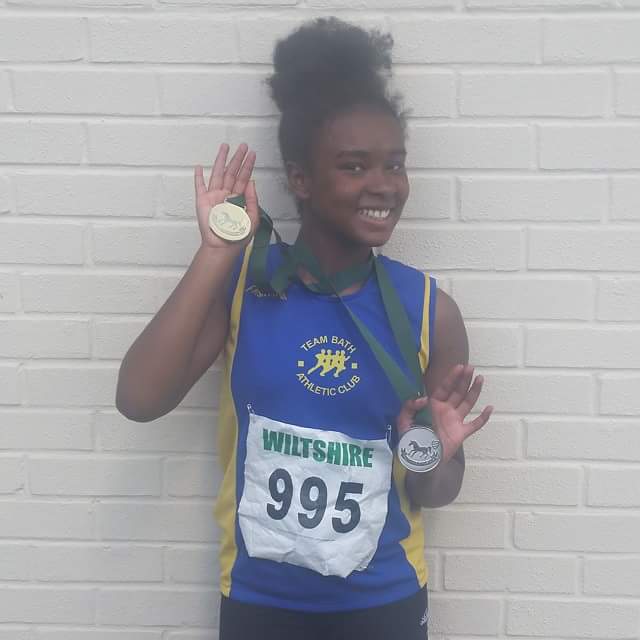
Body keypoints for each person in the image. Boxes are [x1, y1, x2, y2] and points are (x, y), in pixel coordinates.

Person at [116, 17, 493, 640]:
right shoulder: (245, 288)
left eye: (394, 164)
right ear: (301, 180)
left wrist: (432, 452)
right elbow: (139, 399)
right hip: (260, 601)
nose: (383, 185)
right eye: (354, 166)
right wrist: (215, 254)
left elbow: (435, 490)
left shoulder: (430, 310)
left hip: (384, 604)